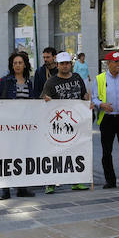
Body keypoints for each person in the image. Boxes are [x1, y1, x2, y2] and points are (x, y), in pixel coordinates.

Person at [41, 51, 90, 193]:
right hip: (58, 124)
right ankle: (50, 182)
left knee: (76, 152)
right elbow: (42, 99)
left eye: (67, 63)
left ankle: (76, 181)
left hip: (76, 123)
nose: (65, 66)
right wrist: (46, 99)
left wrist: (88, 99)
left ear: (71, 64)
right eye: (62, 64)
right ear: (57, 65)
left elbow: (83, 95)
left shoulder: (77, 77)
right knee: (55, 153)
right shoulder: (51, 82)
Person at [0, 52, 37, 199]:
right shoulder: (5, 81)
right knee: (6, 157)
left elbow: (33, 101)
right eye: (15, 63)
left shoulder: (29, 82)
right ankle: (5, 189)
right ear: (12, 65)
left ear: (25, 65)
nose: (17, 65)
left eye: (20, 62)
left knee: (22, 157)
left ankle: (21, 188)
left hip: (24, 127)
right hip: (8, 126)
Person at [93, 51, 119, 189]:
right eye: (115, 62)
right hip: (107, 119)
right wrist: (101, 104)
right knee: (106, 151)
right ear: (108, 63)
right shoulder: (99, 79)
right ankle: (110, 180)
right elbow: (94, 98)